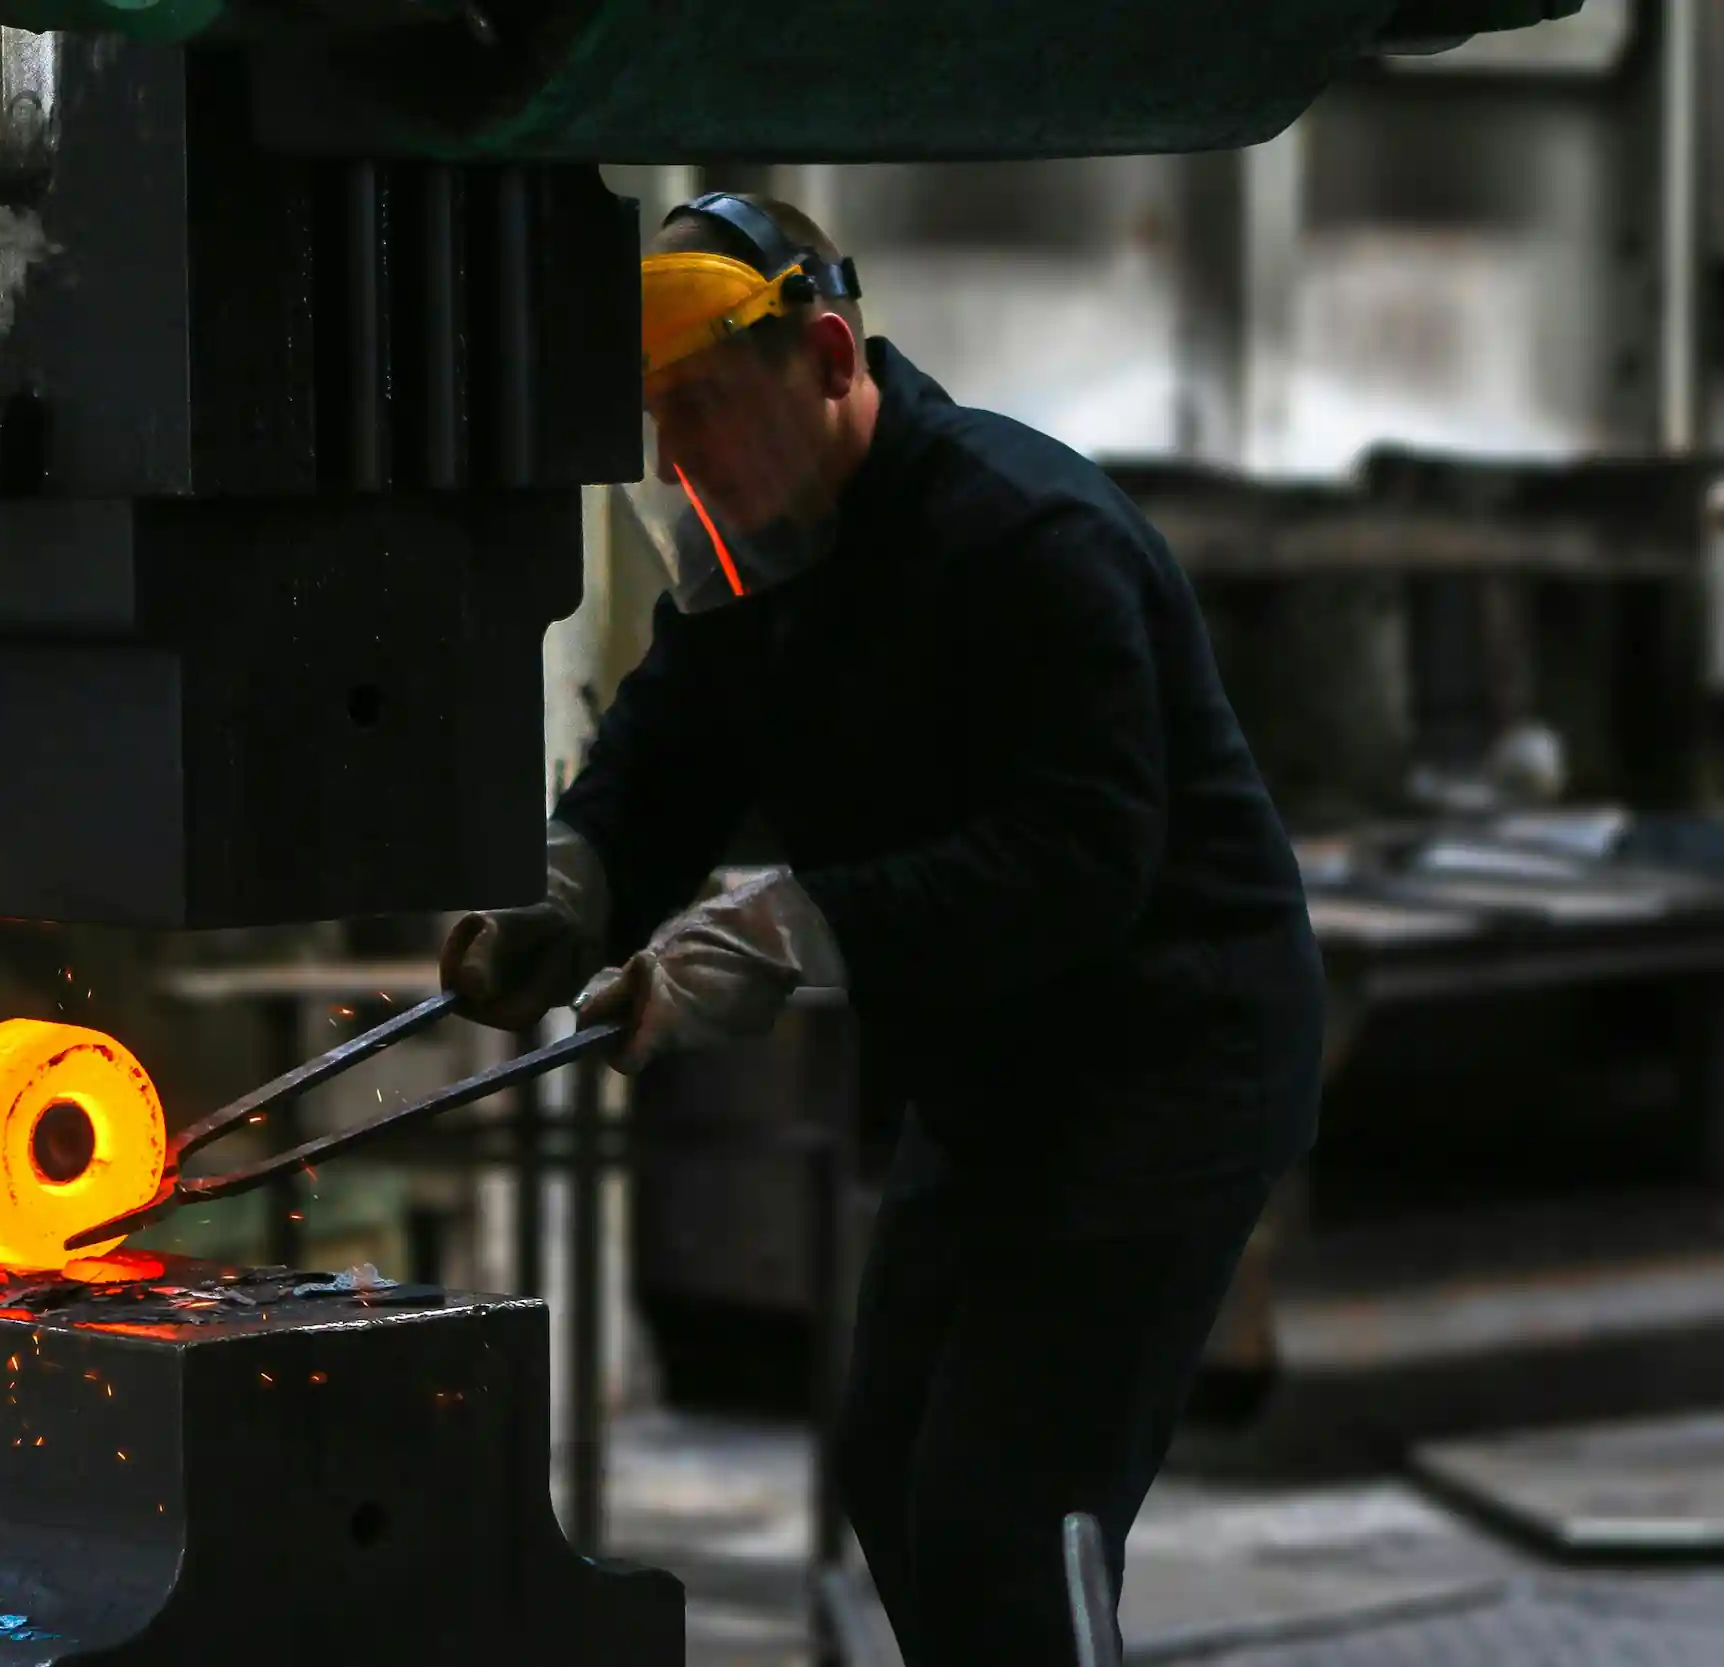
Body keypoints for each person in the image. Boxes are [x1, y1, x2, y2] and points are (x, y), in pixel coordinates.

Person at [439, 192, 1324, 1666]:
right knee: (893, 1464)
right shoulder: (758, 552)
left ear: (831, 357)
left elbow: (1080, 860)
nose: (684, 461)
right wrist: (573, 884)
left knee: (1012, 1506)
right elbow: (673, 747)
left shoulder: (1028, 536)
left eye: (706, 409)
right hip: (998, 1073)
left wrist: (790, 927)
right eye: (660, 424)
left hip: (1169, 1063)